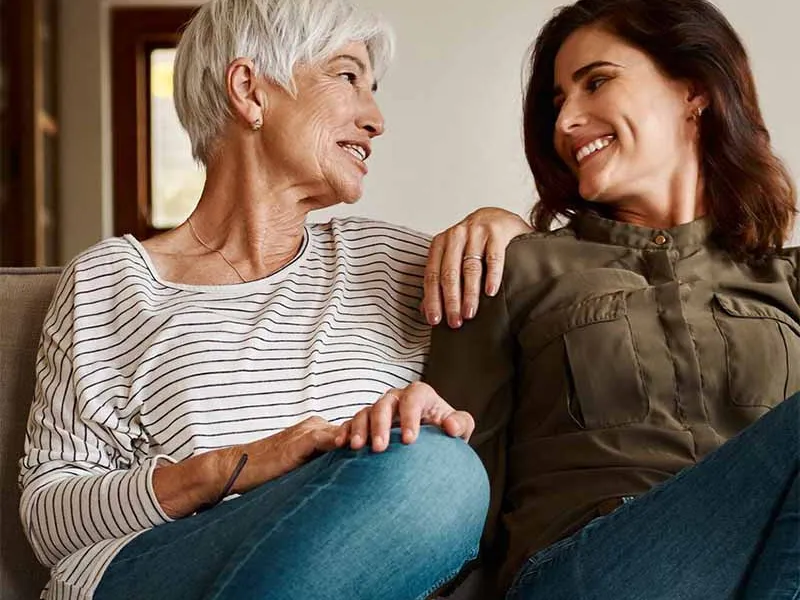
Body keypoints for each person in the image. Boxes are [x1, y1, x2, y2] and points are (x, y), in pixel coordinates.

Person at [17, 1, 532, 598]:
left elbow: (549, 282)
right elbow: (49, 519)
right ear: (250, 91)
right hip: (151, 574)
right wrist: (240, 466)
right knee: (437, 474)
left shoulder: (395, 263)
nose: (376, 118)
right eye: (348, 77)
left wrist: (503, 226)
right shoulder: (111, 281)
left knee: (437, 470)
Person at [351, 0, 800, 598]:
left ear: (694, 89)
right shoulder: (514, 266)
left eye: (597, 82)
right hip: (588, 569)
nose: (566, 121)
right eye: (559, 101)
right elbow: (457, 486)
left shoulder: (787, 277)